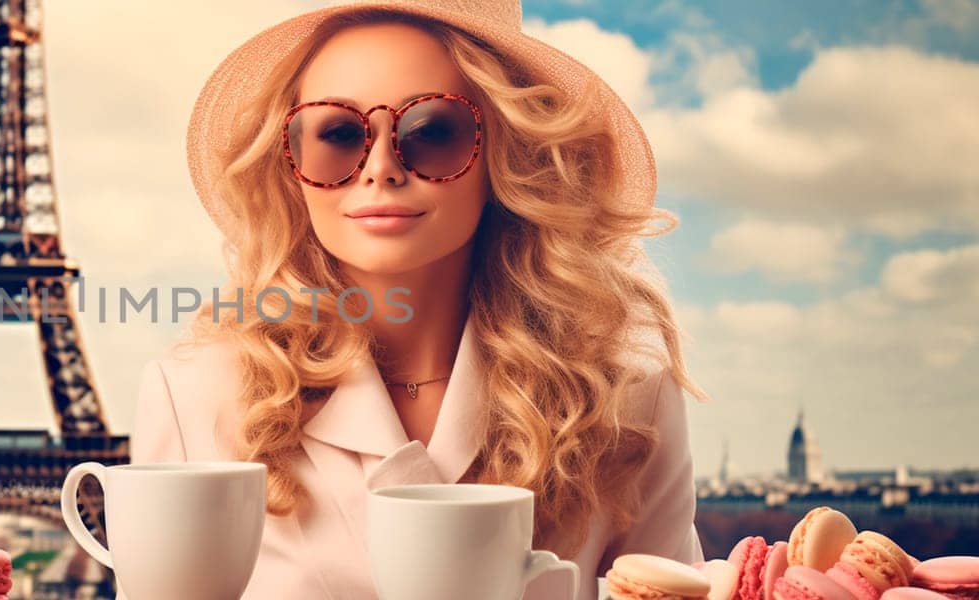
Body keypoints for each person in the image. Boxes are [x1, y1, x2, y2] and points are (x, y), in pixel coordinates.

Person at [129, 1, 710, 598]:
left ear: (505, 154)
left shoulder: (629, 402)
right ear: (290, 165)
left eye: (432, 131)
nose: (380, 167)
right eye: (338, 133)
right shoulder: (195, 397)